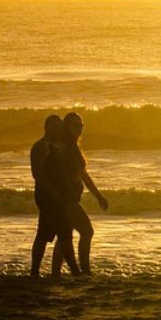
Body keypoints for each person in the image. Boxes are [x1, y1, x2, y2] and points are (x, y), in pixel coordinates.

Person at [61, 111, 110, 276]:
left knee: (65, 237)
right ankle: (84, 270)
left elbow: (83, 175)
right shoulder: (65, 148)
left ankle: (56, 274)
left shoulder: (74, 147)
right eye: (75, 125)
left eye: (81, 126)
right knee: (86, 232)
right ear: (67, 127)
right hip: (67, 199)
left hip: (72, 198)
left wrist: (98, 195)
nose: (79, 129)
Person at [30, 114, 77, 278]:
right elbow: (38, 175)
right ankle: (75, 271)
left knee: (43, 234)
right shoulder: (41, 147)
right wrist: (53, 193)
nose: (58, 130)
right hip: (47, 197)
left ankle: (34, 272)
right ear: (46, 127)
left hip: (58, 196)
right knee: (64, 233)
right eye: (55, 127)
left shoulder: (58, 146)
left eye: (60, 127)